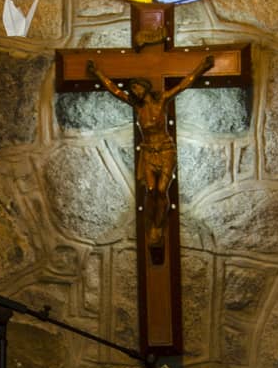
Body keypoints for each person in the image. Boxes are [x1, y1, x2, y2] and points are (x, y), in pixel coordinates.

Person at [87, 54, 214, 261]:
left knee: (162, 190)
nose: (135, 90)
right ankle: (151, 225)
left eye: (137, 87)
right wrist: (97, 73)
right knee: (151, 189)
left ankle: (159, 226)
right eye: (133, 88)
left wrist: (202, 67)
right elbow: (115, 90)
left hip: (165, 150)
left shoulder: (162, 100)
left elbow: (184, 84)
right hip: (147, 151)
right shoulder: (137, 107)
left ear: (145, 87)